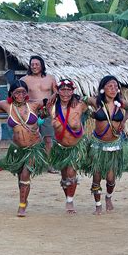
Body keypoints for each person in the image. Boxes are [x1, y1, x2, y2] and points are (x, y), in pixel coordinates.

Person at [0, 80, 49, 217]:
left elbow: (48, 101)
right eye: (17, 92)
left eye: (23, 92)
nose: (21, 95)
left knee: (25, 174)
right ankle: (24, 199)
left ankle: (21, 206)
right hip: (17, 149)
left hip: (34, 148)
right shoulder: (6, 105)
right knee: (20, 178)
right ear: (12, 93)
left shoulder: (34, 104)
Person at [87, 75, 128, 215]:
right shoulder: (96, 102)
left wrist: (123, 121)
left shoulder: (121, 103)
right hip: (97, 146)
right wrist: (90, 113)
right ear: (103, 88)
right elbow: (81, 101)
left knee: (111, 179)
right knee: (97, 177)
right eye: (110, 86)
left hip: (114, 146)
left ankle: (108, 197)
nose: (113, 89)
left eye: (115, 86)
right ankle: (98, 205)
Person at [49, 79, 89, 214]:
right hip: (60, 148)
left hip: (75, 147)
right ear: (58, 91)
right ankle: (68, 197)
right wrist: (53, 96)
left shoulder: (80, 105)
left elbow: (94, 100)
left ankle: (70, 201)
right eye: (62, 90)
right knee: (64, 176)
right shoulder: (52, 106)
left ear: (73, 91)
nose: (66, 93)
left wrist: (80, 97)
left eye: (69, 90)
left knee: (71, 173)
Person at [21, 55, 58, 173]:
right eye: (32, 65)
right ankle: (31, 164)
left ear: (42, 65)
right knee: (31, 140)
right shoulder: (24, 80)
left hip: (47, 112)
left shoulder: (50, 78)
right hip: (31, 112)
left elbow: (58, 92)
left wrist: (53, 96)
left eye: (37, 64)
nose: (34, 67)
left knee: (48, 139)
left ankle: (49, 164)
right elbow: (18, 94)